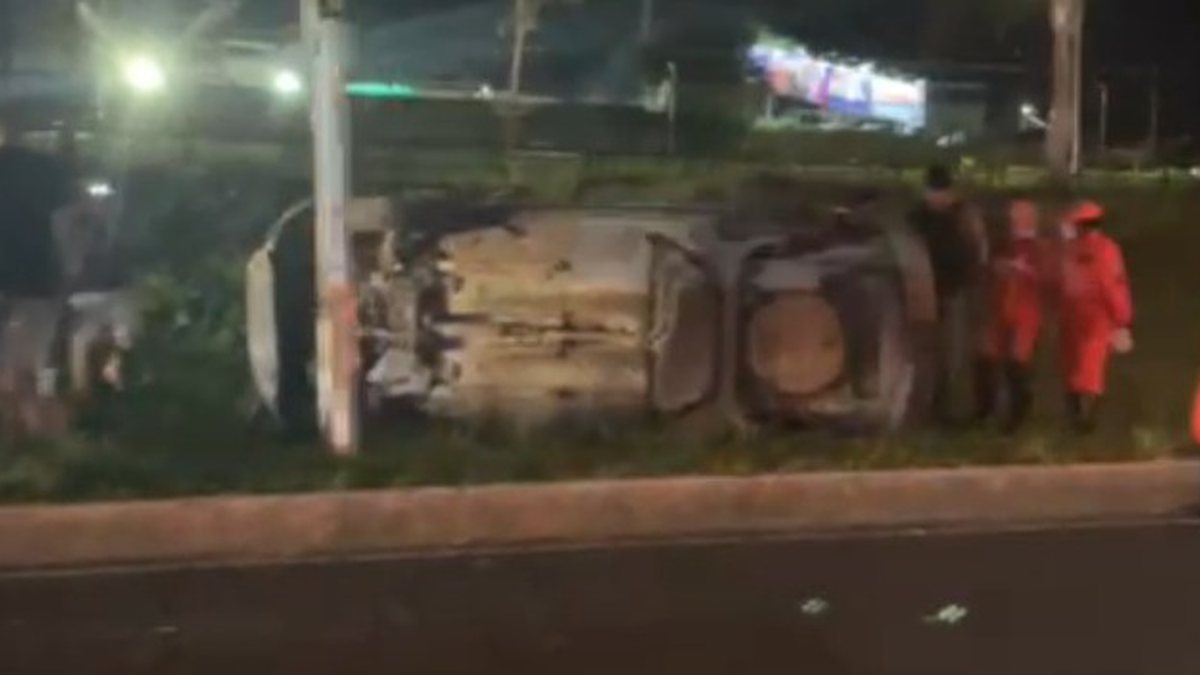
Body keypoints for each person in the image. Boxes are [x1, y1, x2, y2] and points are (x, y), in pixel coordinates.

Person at [0, 119, 74, 440]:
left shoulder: (40, 168)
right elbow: (65, 220)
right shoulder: (44, 168)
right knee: (26, 372)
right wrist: (70, 267)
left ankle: (25, 440)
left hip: (28, 280)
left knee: (16, 375)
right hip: (36, 279)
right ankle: (42, 442)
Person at [909, 165, 987, 424]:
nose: (938, 198)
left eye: (942, 192)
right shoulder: (916, 218)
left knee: (951, 353)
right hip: (922, 293)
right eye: (934, 192)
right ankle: (927, 406)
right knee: (925, 352)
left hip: (954, 291)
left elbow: (977, 248)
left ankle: (944, 407)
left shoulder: (962, 215)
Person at [1056, 200, 1134, 433]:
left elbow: (1058, 281)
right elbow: (1112, 286)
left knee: (1072, 365)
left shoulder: (1068, 250)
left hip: (1070, 313)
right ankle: (1086, 421)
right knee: (1092, 368)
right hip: (1097, 316)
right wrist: (1122, 319)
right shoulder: (1107, 249)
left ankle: (1073, 415)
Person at [975, 199, 1048, 432]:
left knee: (1017, 363)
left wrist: (1022, 270)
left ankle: (1017, 415)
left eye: (1017, 216)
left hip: (1025, 311)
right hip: (1001, 307)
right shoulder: (1005, 244)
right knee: (986, 356)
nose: (1012, 220)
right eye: (1012, 216)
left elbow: (1049, 276)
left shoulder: (1039, 247)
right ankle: (984, 409)